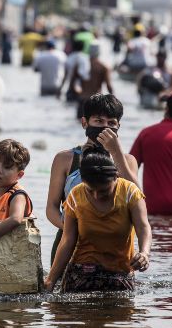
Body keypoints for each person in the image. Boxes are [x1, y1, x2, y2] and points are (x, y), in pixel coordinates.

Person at [45, 94, 139, 264]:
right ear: (85, 123)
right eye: (99, 121)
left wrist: (116, 153)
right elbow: (51, 207)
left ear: (119, 126)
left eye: (111, 123)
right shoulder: (65, 159)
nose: (105, 127)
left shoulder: (128, 161)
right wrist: (71, 228)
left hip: (115, 246)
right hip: (70, 244)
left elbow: (139, 200)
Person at [44, 148, 152, 292]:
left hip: (119, 273)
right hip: (81, 272)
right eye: (90, 190)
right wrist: (50, 280)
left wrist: (144, 252)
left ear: (116, 177)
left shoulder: (130, 193)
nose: (96, 196)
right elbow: (68, 240)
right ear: (83, 181)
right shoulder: (76, 195)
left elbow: (143, 227)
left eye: (103, 191)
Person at [76, 44, 114, 119]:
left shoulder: (80, 65)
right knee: (95, 126)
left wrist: (78, 92)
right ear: (99, 52)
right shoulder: (103, 67)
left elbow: (73, 83)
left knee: (79, 122)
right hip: (96, 101)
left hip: (82, 99)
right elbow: (109, 86)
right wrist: (113, 101)